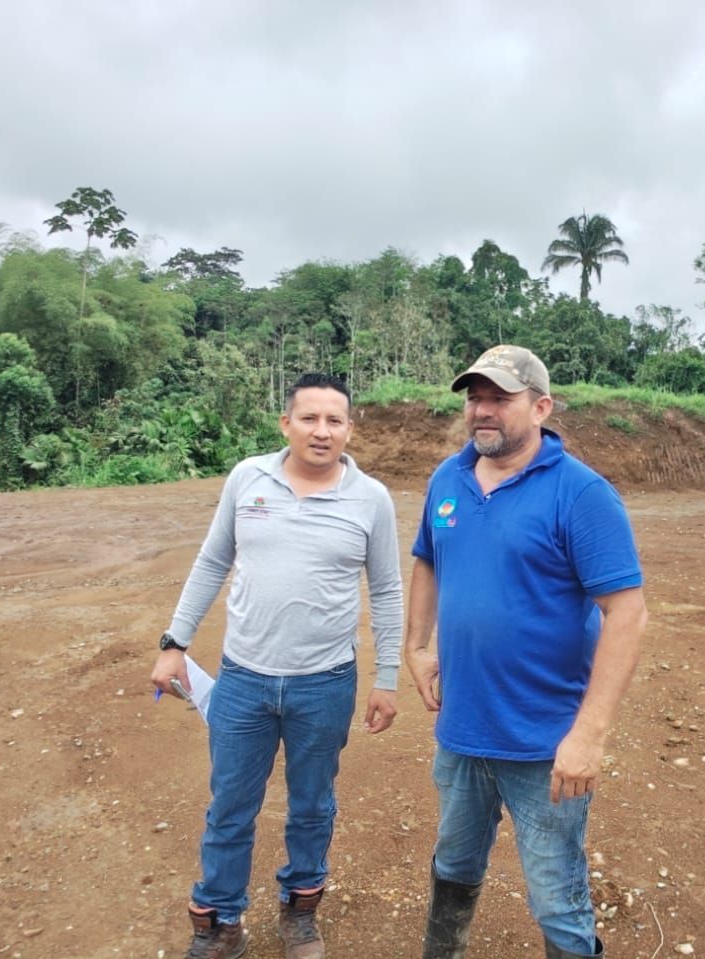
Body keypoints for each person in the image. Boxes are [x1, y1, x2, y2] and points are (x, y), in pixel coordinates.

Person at [404, 345, 649, 959]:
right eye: (475, 398)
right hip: (462, 730)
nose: (482, 410)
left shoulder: (581, 493)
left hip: (545, 744)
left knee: (556, 897)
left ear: (541, 408)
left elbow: (627, 613)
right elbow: (427, 559)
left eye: (500, 398)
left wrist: (588, 736)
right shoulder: (448, 478)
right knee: (453, 864)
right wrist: (416, 646)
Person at [150, 372, 403, 959]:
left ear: (349, 429)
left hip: (326, 683)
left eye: (334, 420)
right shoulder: (248, 478)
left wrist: (387, 678)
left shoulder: (371, 499)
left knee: (312, 804)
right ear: (285, 423)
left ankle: (300, 911)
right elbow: (212, 562)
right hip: (244, 679)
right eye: (309, 418)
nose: (322, 431)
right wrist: (174, 642)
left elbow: (388, 589)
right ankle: (221, 922)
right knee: (230, 806)